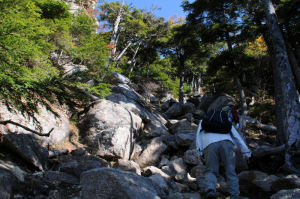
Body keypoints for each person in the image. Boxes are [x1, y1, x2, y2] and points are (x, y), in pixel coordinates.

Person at [196, 114, 251, 199]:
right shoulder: (225, 121)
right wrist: (246, 152)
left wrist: (200, 151)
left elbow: (198, 136)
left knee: (211, 170)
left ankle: (210, 190)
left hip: (209, 144)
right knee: (230, 171)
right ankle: (235, 195)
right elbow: (236, 137)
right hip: (227, 143)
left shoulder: (203, 121)